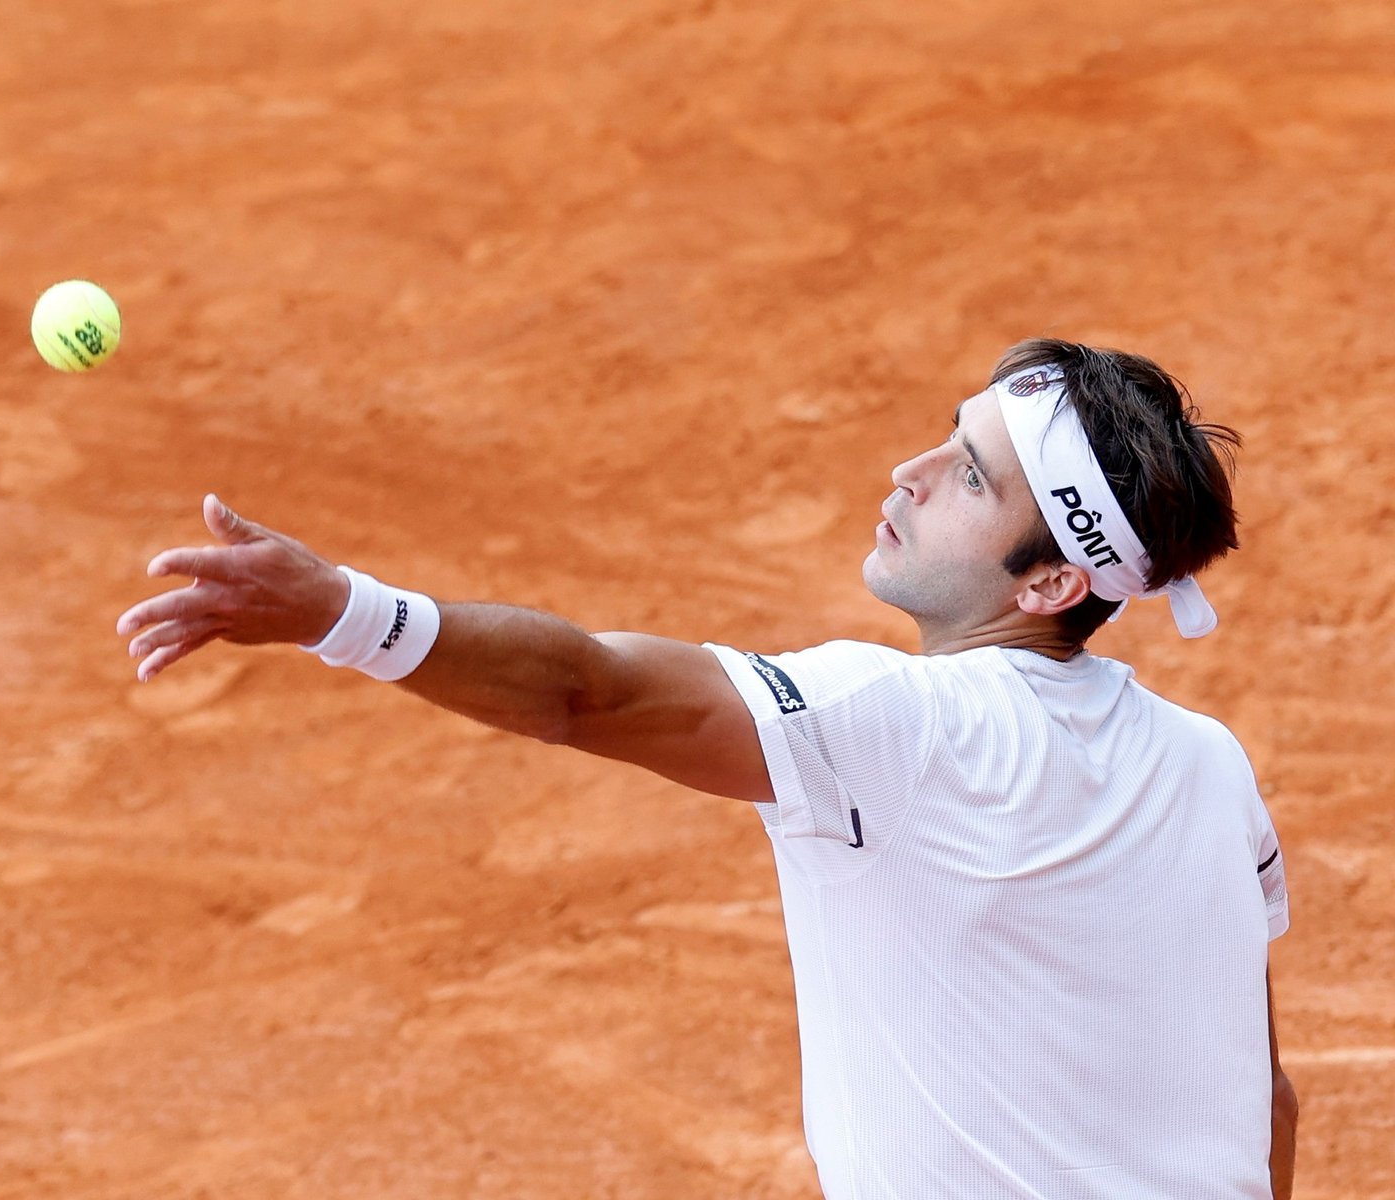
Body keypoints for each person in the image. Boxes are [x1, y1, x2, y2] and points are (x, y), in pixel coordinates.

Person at [117, 337, 1297, 1199]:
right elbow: (1266, 1103)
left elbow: (588, 689)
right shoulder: (1210, 767)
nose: (909, 471)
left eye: (970, 476)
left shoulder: (899, 726)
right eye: (947, 435)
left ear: (1050, 584)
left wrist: (341, 611)